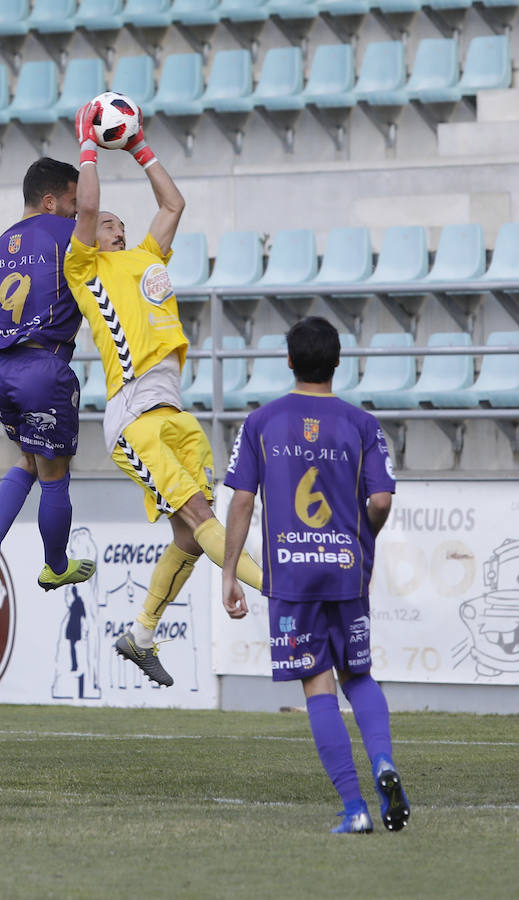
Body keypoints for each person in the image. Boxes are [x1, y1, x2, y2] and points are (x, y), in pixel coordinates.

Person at [63, 100, 263, 688]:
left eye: (121, 224)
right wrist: (90, 147)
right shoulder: (86, 269)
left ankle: (142, 634)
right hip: (133, 415)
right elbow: (90, 204)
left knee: (189, 535)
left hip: (174, 407)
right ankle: (280, 585)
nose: (116, 227)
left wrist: (142, 148)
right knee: (202, 515)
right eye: (107, 223)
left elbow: (173, 204)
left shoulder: (146, 256)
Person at [221, 315, 410, 834]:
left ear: (288, 360)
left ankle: (355, 809)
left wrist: (230, 573)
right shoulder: (361, 423)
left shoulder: (260, 423)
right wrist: (362, 542)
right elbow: (381, 499)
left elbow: (241, 500)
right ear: (338, 363)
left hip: (293, 575)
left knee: (317, 683)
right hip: (345, 569)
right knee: (359, 675)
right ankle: (385, 765)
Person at [0, 157, 95, 592]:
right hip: (43, 368)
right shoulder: (65, 233)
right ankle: (55, 565)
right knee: (55, 471)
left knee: (27, 459)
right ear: (49, 200)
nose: (78, 212)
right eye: (73, 203)